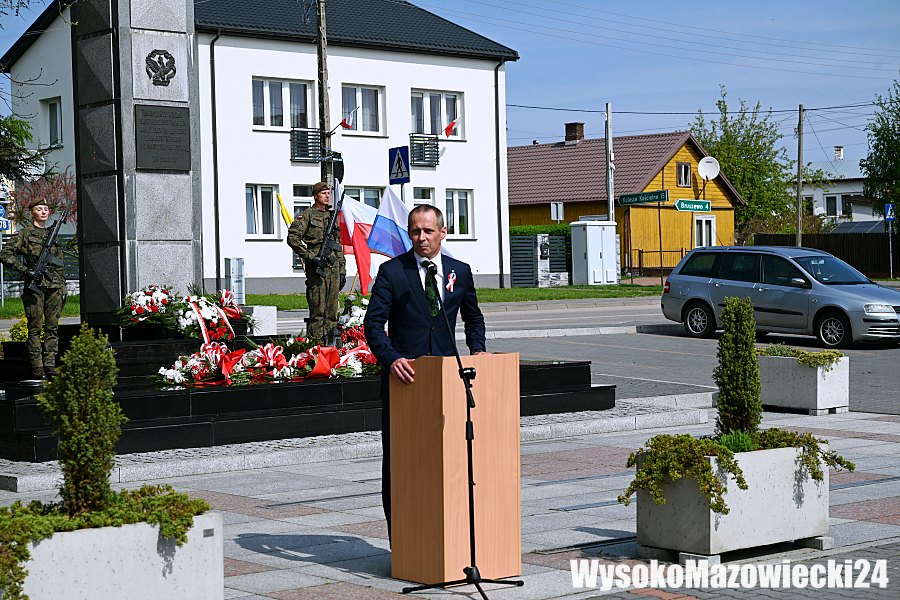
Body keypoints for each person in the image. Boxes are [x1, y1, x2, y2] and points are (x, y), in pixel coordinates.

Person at [363, 204, 486, 541]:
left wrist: (478, 351)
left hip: (448, 381)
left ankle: (447, 537)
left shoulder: (460, 272)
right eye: (415, 231)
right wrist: (392, 359)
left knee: (447, 460)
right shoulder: (393, 271)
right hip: (406, 381)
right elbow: (373, 324)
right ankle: (404, 542)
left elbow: (473, 318)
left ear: (442, 233)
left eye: (428, 231)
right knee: (402, 463)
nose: (422, 237)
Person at [0, 198, 67, 380]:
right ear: (32, 213)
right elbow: (5, 254)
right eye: (39, 209)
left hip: (54, 287)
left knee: (52, 327)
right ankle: (37, 367)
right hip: (35, 287)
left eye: (46, 209)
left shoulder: (53, 234)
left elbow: (59, 264)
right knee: (35, 327)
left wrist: (62, 286)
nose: (44, 212)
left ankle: (50, 365)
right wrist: (24, 270)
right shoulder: (25, 234)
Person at [287, 181, 346, 342]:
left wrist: (342, 270)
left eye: (328, 193)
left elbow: (337, 245)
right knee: (317, 310)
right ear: (315, 196)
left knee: (332, 311)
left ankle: (331, 346)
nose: (327, 196)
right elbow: (293, 238)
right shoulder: (307, 215)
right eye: (323, 193)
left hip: (333, 267)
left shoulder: (331, 216)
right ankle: (317, 345)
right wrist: (310, 257)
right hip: (317, 268)